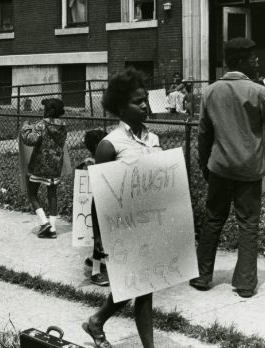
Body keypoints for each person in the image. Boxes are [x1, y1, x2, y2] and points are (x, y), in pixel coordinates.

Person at [190, 38, 265, 298]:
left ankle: (202, 276)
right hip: (248, 171)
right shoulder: (258, 92)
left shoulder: (210, 91)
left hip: (219, 168)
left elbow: (204, 134)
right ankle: (246, 284)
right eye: (253, 59)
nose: (257, 63)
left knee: (213, 219)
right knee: (248, 224)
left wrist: (204, 164)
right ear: (240, 61)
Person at [82, 69, 160, 348]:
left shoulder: (153, 140)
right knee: (141, 287)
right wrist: (98, 239)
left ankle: (97, 321)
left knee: (139, 285)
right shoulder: (110, 145)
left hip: (149, 223)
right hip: (121, 227)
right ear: (119, 107)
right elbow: (99, 197)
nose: (144, 105)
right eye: (136, 101)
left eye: (146, 99)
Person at [21, 98, 68, 239]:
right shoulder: (63, 127)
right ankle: (52, 228)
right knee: (52, 194)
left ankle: (44, 222)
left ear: (46, 110)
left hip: (39, 165)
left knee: (31, 193)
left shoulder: (41, 125)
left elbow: (31, 140)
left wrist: (26, 128)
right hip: (55, 166)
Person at [76, 128, 108, 286]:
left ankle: (93, 260)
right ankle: (95, 272)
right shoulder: (93, 163)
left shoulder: (88, 162)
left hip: (99, 203)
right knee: (99, 236)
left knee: (99, 236)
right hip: (97, 204)